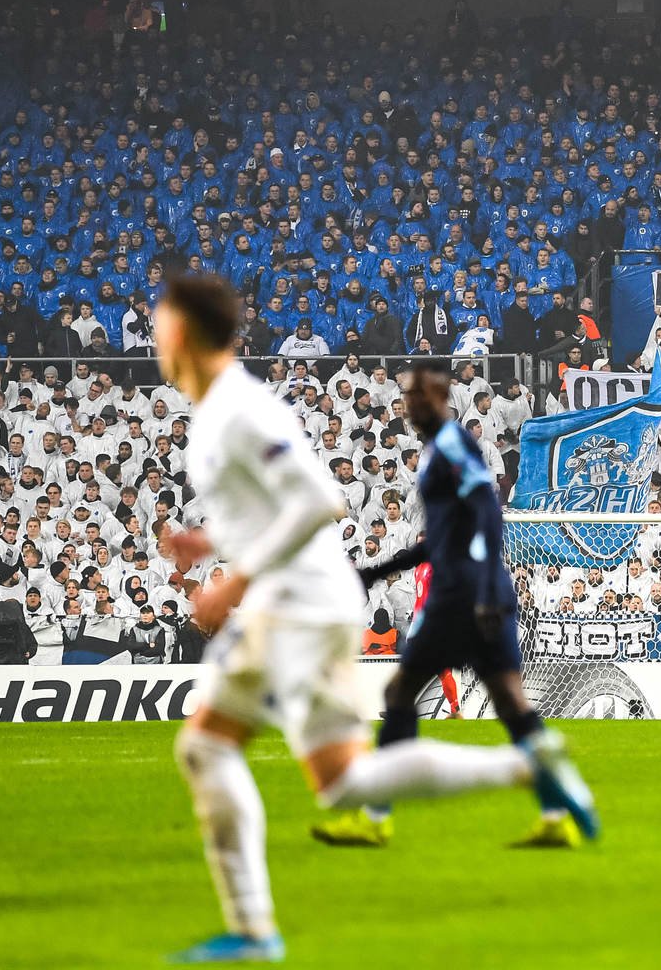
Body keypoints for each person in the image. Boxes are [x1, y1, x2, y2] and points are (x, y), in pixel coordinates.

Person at [155, 275, 592, 965]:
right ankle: (525, 767)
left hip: (298, 603)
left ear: (180, 332)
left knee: (206, 747)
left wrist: (232, 581)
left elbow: (321, 500)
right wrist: (207, 544)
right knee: (344, 782)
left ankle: (254, 931)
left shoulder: (238, 408)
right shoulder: (219, 409)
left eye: (159, 323)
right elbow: (274, 511)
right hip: (308, 599)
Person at [313, 362, 595, 850]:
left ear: (443, 399)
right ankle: (559, 810)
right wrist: (378, 572)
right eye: (408, 397)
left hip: (464, 596)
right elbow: (443, 538)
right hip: (475, 591)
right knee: (509, 704)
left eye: (421, 397)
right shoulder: (437, 450)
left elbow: (487, 513)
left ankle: (375, 818)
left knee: (401, 695)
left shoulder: (451, 445)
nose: (412, 405)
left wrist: (482, 591)